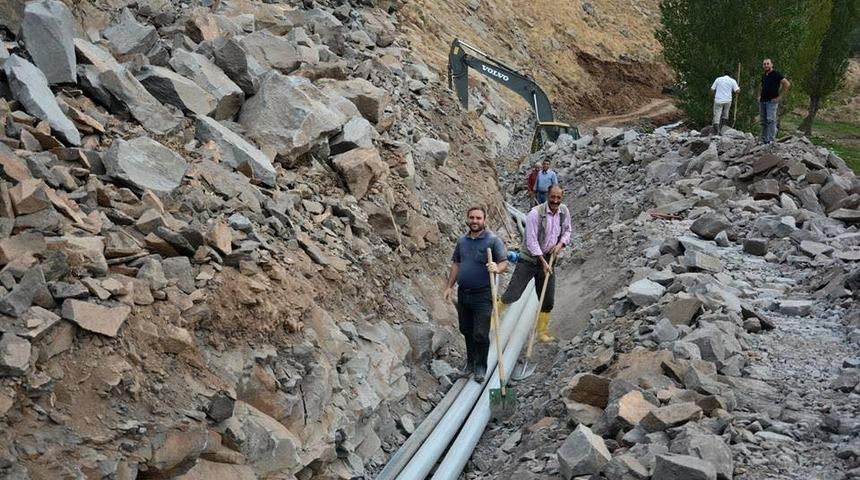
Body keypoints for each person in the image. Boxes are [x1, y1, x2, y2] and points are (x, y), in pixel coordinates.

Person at [443, 206, 508, 383]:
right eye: (471, 217)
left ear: (484, 220)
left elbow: (503, 263)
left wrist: (496, 268)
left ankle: (481, 366)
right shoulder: (462, 242)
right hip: (464, 293)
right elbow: (456, 264)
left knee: (480, 333)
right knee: (466, 330)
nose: (474, 221)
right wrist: (449, 286)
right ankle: (470, 363)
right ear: (467, 219)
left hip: (483, 295)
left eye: (478, 218)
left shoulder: (493, 241)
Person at [499, 185, 571, 342]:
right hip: (529, 260)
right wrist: (543, 262)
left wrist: (560, 245)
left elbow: (567, 231)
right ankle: (493, 321)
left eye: (559, 198)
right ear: (547, 196)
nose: (555, 201)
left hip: (549, 259)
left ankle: (541, 332)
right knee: (513, 293)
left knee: (547, 299)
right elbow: (531, 242)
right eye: (553, 197)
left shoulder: (563, 212)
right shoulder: (535, 214)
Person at [759, 58, 791, 144]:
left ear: (771, 65)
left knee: (771, 120)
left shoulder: (776, 74)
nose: (766, 65)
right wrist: (759, 96)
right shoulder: (764, 75)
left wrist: (780, 97)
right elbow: (762, 87)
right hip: (763, 101)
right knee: (763, 121)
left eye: (767, 64)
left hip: (771, 101)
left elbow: (787, 84)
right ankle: (764, 139)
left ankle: (771, 140)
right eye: (764, 64)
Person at [710, 70, 740, 134]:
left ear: (724, 74)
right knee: (725, 114)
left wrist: (714, 95)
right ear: (731, 75)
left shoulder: (718, 79)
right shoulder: (732, 81)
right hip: (727, 100)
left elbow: (712, 89)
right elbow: (737, 91)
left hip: (718, 99)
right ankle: (721, 129)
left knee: (717, 115)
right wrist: (739, 89)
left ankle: (717, 131)